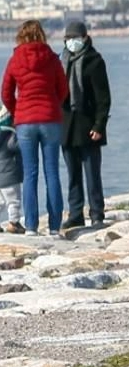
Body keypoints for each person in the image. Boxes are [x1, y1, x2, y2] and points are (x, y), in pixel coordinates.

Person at [1, 20, 68, 237]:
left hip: (25, 122)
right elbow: (63, 89)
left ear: (21, 36)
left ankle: (30, 226)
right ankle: (54, 227)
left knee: (30, 174)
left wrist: (17, 111)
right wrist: (52, 104)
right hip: (50, 119)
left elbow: (6, 93)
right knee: (52, 173)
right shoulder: (52, 58)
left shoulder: (15, 59)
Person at [59, 21, 112, 230]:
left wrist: (99, 125)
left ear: (85, 38)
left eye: (75, 38)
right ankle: (75, 212)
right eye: (68, 39)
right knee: (72, 174)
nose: (72, 42)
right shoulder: (61, 61)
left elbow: (104, 98)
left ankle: (97, 213)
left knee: (92, 173)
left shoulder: (94, 61)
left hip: (88, 125)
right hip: (66, 126)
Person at [0, 104, 24, 234]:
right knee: (13, 200)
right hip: (10, 175)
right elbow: (20, 146)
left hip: (1, 176)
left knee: (1, 202)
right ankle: (14, 223)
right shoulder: (9, 136)